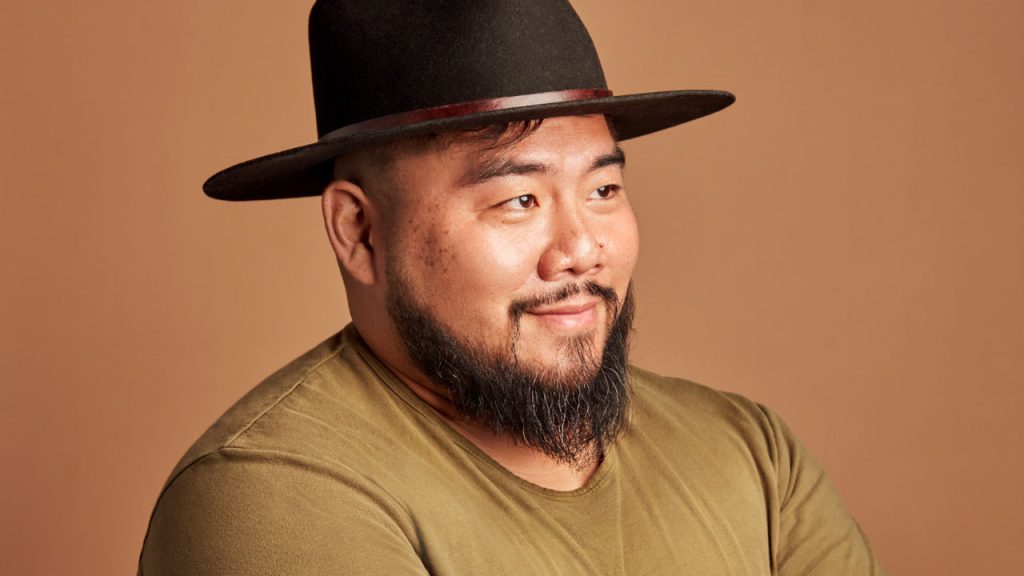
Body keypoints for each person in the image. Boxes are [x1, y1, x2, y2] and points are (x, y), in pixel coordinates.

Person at [139, 1, 885, 574]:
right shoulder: (267, 497)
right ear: (358, 231)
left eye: (603, 189)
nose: (581, 250)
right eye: (519, 200)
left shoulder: (750, 455)